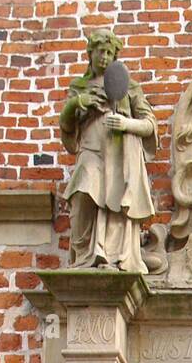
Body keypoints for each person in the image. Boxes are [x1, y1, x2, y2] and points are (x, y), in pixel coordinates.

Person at [59, 30, 157, 272]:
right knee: (83, 190)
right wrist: (77, 103)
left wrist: (126, 124)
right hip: (90, 150)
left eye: (109, 53)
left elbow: (149, 124)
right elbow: (66, 125)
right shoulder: (79, 87)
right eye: (100, 52)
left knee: (113, 202)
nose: (104, 57)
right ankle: (84, 255)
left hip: (118, 155)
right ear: (89, 54)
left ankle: (108, 255)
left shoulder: (128, 86)